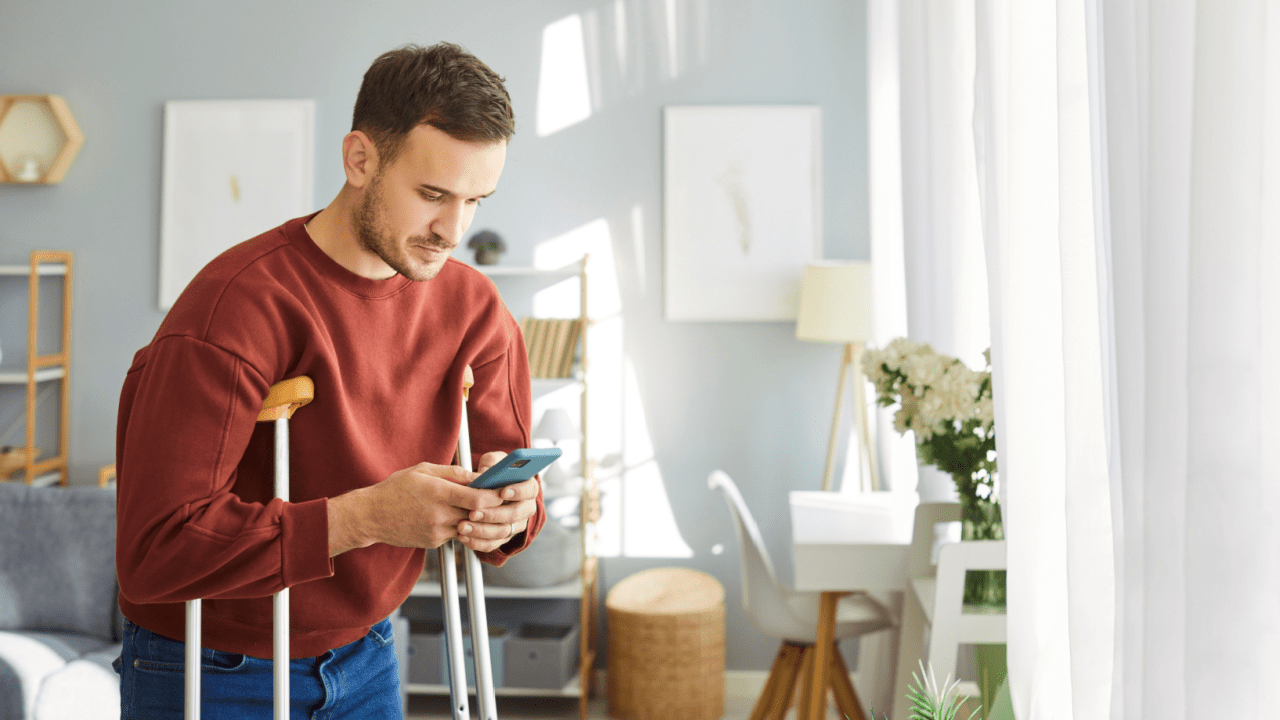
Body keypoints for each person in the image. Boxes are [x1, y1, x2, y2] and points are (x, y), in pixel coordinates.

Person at [112, 42, 543, 718]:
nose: (452, 230)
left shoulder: (476, 312)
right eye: (432, 195)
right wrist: (363, 517)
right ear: (360, 160)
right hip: (213, 664)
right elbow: (154, 550)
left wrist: (512, 512)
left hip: (368, 652)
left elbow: (512, 478)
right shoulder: (235, 307)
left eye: (475, 201)